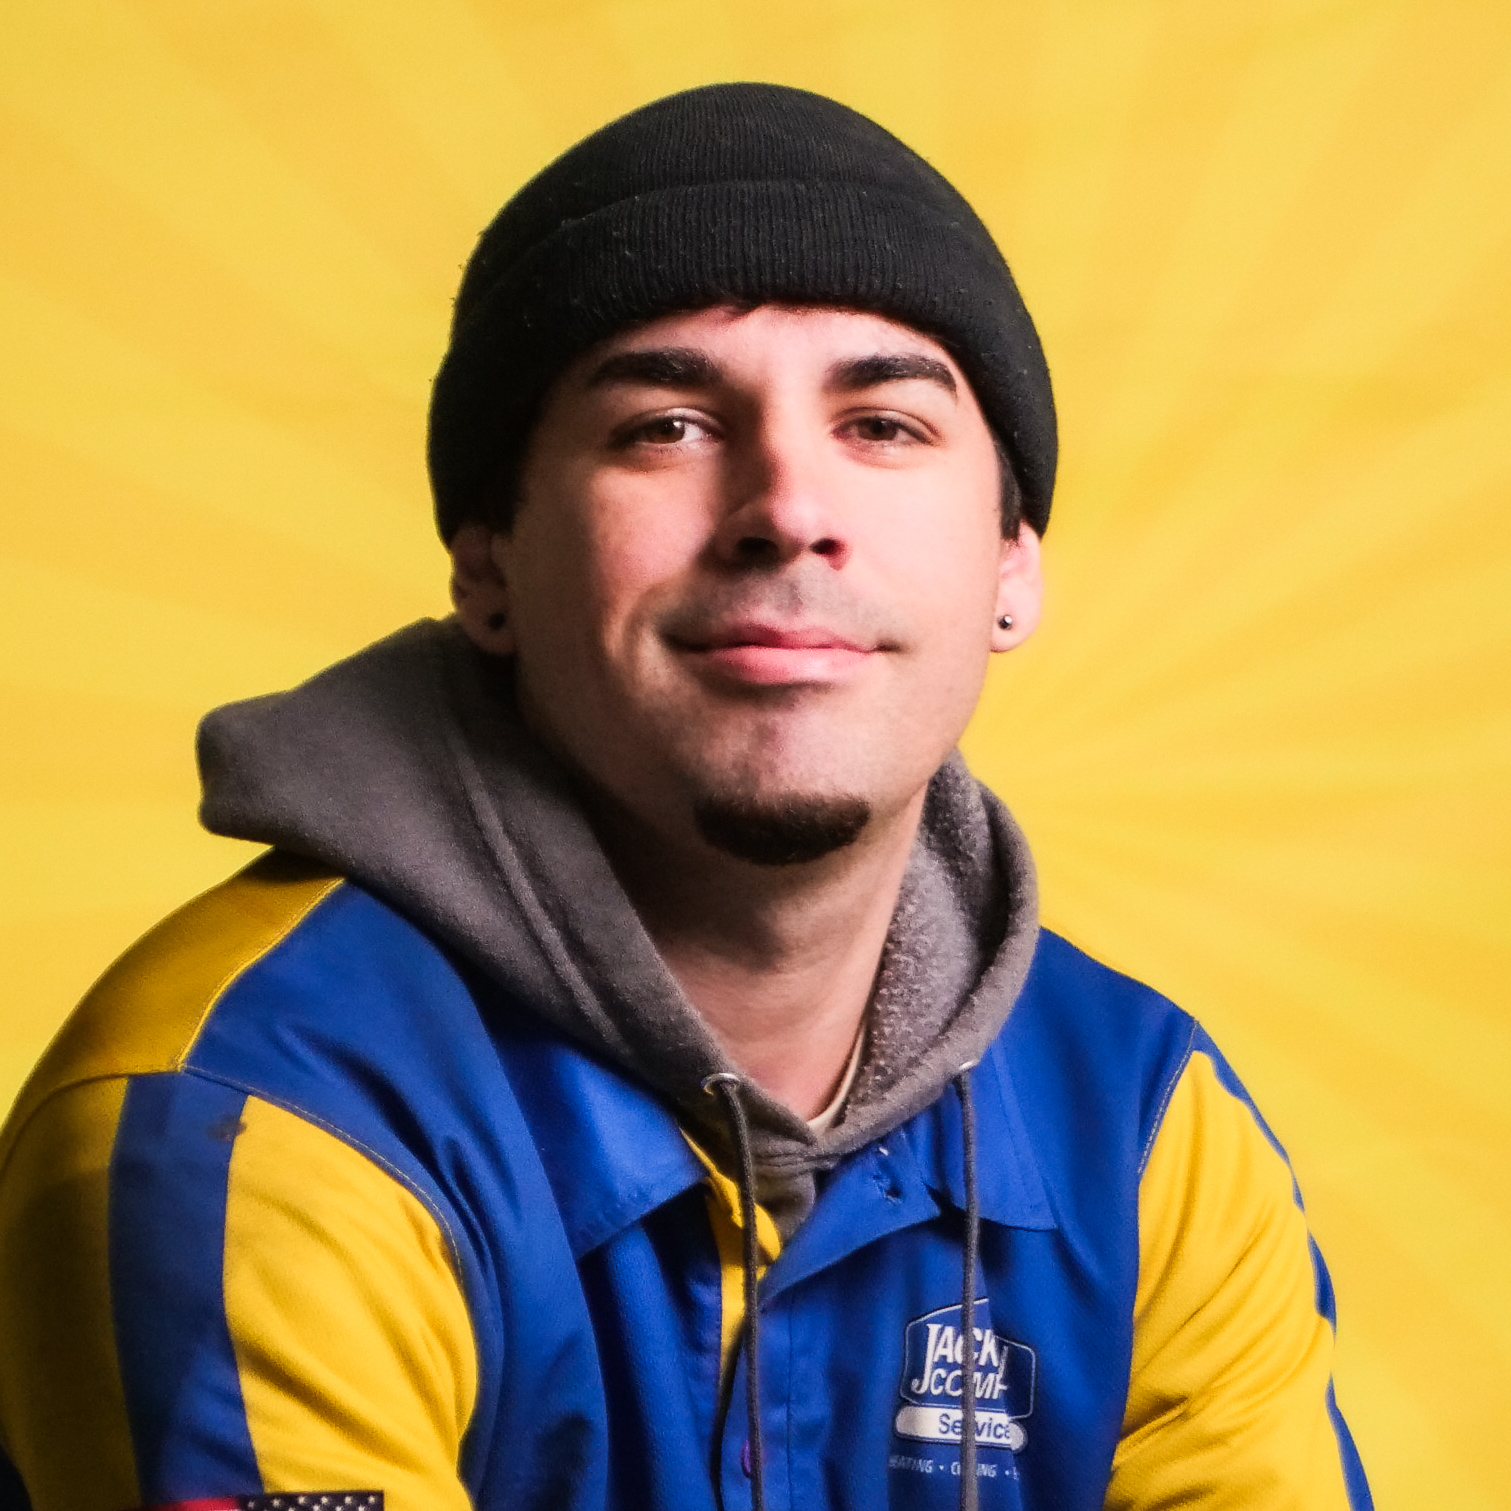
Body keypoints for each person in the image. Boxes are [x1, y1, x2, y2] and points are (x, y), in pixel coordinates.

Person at [0, 83, 1371, 1511]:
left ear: (1013, 564)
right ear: (489, 564)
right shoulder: (243, 1117)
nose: (788, 503)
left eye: (886, 425)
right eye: (665, 424)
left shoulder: (1147, 1129)